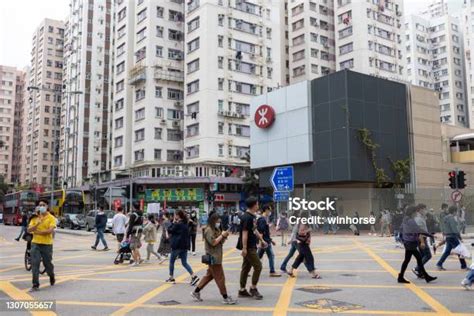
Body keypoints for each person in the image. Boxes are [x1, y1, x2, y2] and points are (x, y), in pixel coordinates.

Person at [191, 213, 237, 304]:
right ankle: (225, 297)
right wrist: (222, 236)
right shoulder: (208, 230)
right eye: (218, 220)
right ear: (214, 221)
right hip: (213, 258)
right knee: (220, 278)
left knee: (209, 276)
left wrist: (224, 236)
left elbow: (220, 242)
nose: (219, 222)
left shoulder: (216, 229)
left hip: (217, 256)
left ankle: (195, 292)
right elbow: (213, 242)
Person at [397, 206, 437, 284]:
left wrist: (403, 239)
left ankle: (401, 276)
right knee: (418, 259)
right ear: (412, 212)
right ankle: (426, 277)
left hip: (408, 242)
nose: (416, 213)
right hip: (410, 243)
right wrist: (430, 235)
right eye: (415, 212)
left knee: (408, 260)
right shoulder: (411, 220)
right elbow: (418, 230)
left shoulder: (405, 219)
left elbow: (401, 229)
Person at [236, 196, 265, 300]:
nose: (258, 205)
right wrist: (244, 248)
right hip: (248, 247)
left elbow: (254, 230)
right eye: (257, 204)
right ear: (253, 205)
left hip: (251, 245)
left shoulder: (251, 216)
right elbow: (244, 233)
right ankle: (253, 288)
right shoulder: (247, 217)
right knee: (258, 266)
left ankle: (242, 290)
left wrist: (262, 240)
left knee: (246, 267)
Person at [27, 199, 56, 292]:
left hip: (47, 244)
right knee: (35, 264)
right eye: (40, 205)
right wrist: (37, 224)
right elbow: (29, 230)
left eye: (43, 205)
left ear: (47, 206)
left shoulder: (51, 218)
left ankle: (51, 275)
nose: (41, 207)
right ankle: (35, 285)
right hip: (35, 243)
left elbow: (49, 231)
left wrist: (37, 232)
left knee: (48, 264)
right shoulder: (35, 217)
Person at [166, 210, 200, 285]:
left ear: (178, 216)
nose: (174, 216)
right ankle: (193, 276)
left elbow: (170, 230)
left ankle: (171, 277)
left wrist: (173, 222)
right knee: (184, 262)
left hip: (177, 246)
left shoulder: (178, 224)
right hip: (184, 246)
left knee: (172, 262)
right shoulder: (185, 224)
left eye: (175, 215)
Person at [287, 211, 320, 279]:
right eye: (308, 214)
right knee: (309, 258)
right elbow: (300, 232)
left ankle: (291, 270)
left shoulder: (303, 221)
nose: (310, 216)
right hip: (302, 243)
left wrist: (309, 238)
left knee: (300, 258)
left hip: (303, 243)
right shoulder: (303, 222)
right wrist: (308, 230)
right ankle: (313, 273)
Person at [436, 205, 467, 271]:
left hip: (448, 236)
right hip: (453, 236)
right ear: (454, 211)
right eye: (456, 211)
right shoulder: (451, 218)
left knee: (447, 252)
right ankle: (464, 266)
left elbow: (443, 227)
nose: (457, 213)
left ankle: (439, 264)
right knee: (460, 251)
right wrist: (460, 236)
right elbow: (455, 230)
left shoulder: (445, 218)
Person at [257, 205, 281, 277]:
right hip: (265, 242)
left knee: (258, 257)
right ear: (266, 210)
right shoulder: (262, 220)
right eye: (269, 210)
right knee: (271, 256)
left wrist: (271, 240)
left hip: (266, 241)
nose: (270, 212)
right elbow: (261, 232)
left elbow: (265, 232)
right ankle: (272, 271)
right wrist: (261, 242)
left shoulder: (264, 219)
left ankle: (248, 269)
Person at [412, 204, 432, 278]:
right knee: (428, 255)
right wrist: (422, 242)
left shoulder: (421, 217)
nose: (425, 211)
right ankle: (417, 268)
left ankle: (420, 273)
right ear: (420, 209)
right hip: (421, 238)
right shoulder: (418, 219)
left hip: (422, 238)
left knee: (422, 256)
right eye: (424, 209)